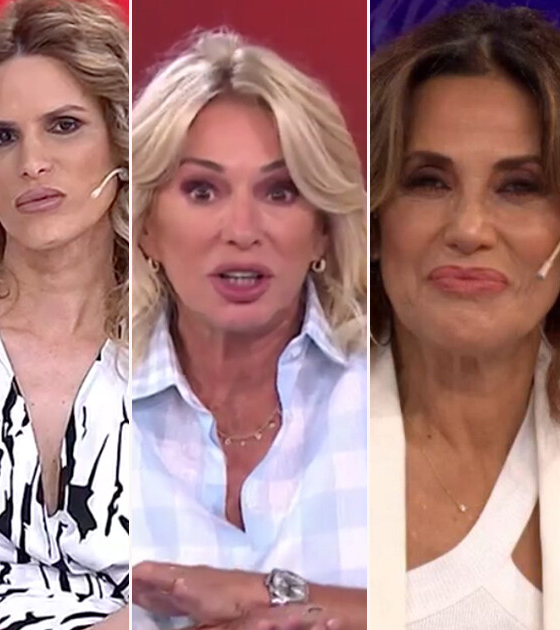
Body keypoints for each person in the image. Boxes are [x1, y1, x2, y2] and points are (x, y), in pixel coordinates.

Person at [369, 5, 560, 629]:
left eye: (519, 187)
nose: (469, 230)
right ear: (374, 220)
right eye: (428, 181)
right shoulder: (297, 432)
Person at [128, 30, 368, 630]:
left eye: (279, 191)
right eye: (202, 190)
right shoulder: (85, 399)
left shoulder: (393, 390)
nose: (241, 229)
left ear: (322, 229)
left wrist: (258, 595)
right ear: (146, 226)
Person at [0, 0, 130, 628]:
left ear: (122, 142)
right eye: (2, 137)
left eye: (64, 125)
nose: (32, 163)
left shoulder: (187, 340)